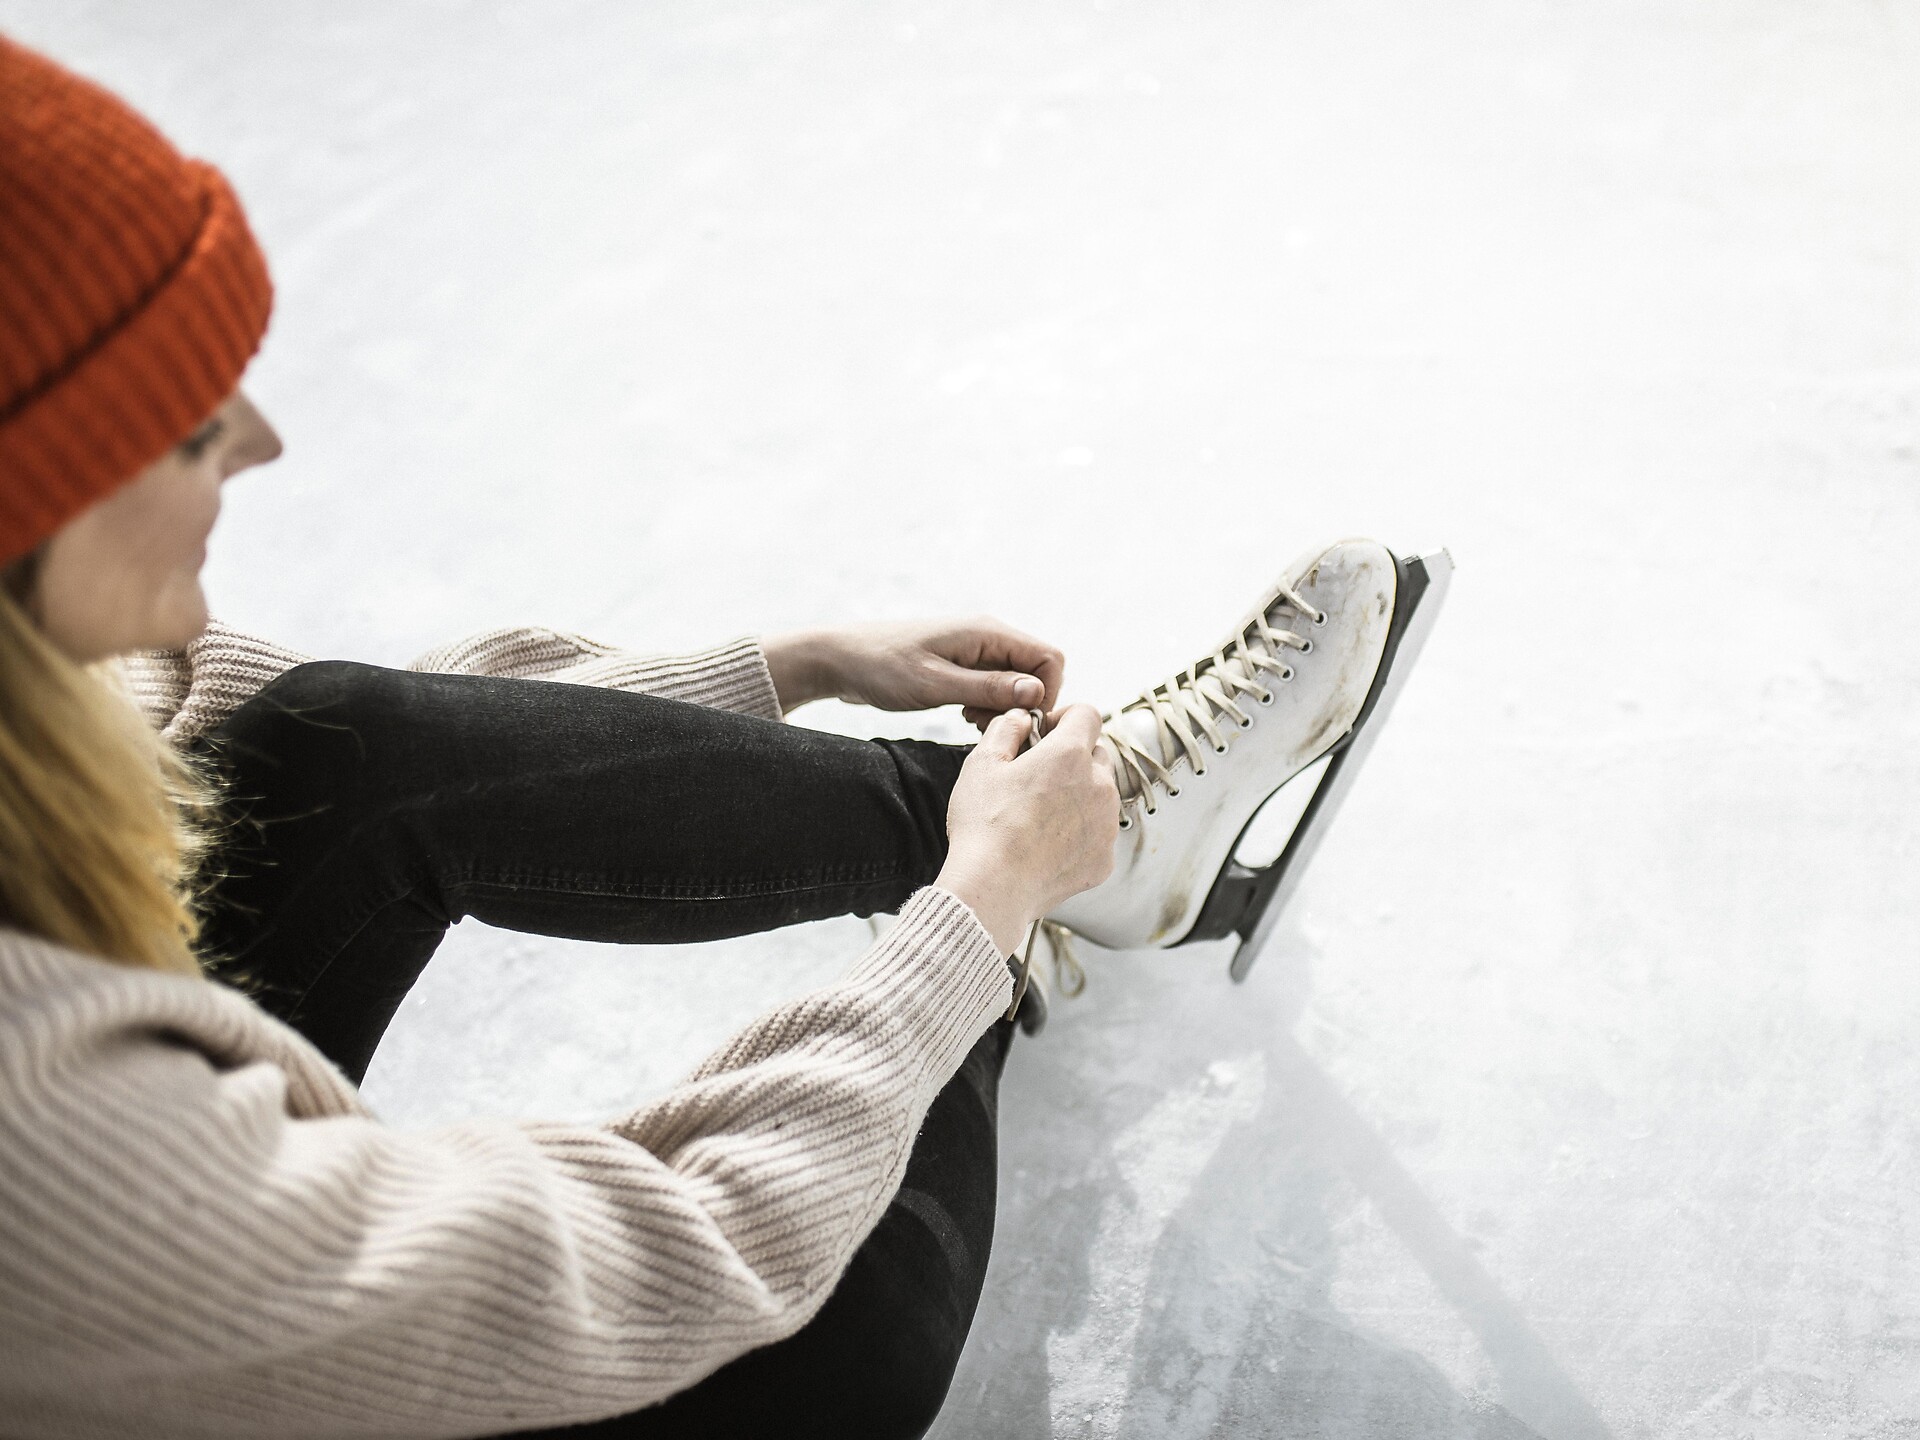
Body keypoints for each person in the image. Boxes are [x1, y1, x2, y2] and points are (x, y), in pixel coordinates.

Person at [0, 35, 1409, 1440]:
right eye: (181, 422)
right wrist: (969, 926)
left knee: (325, 749)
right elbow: (667, 1266)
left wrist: (784, 667)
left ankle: (1067, 843)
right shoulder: (55, 1151)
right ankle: (1039, 906)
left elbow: (326, 726)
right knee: (809, 1358)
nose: (259, 444)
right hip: (174, 1300)